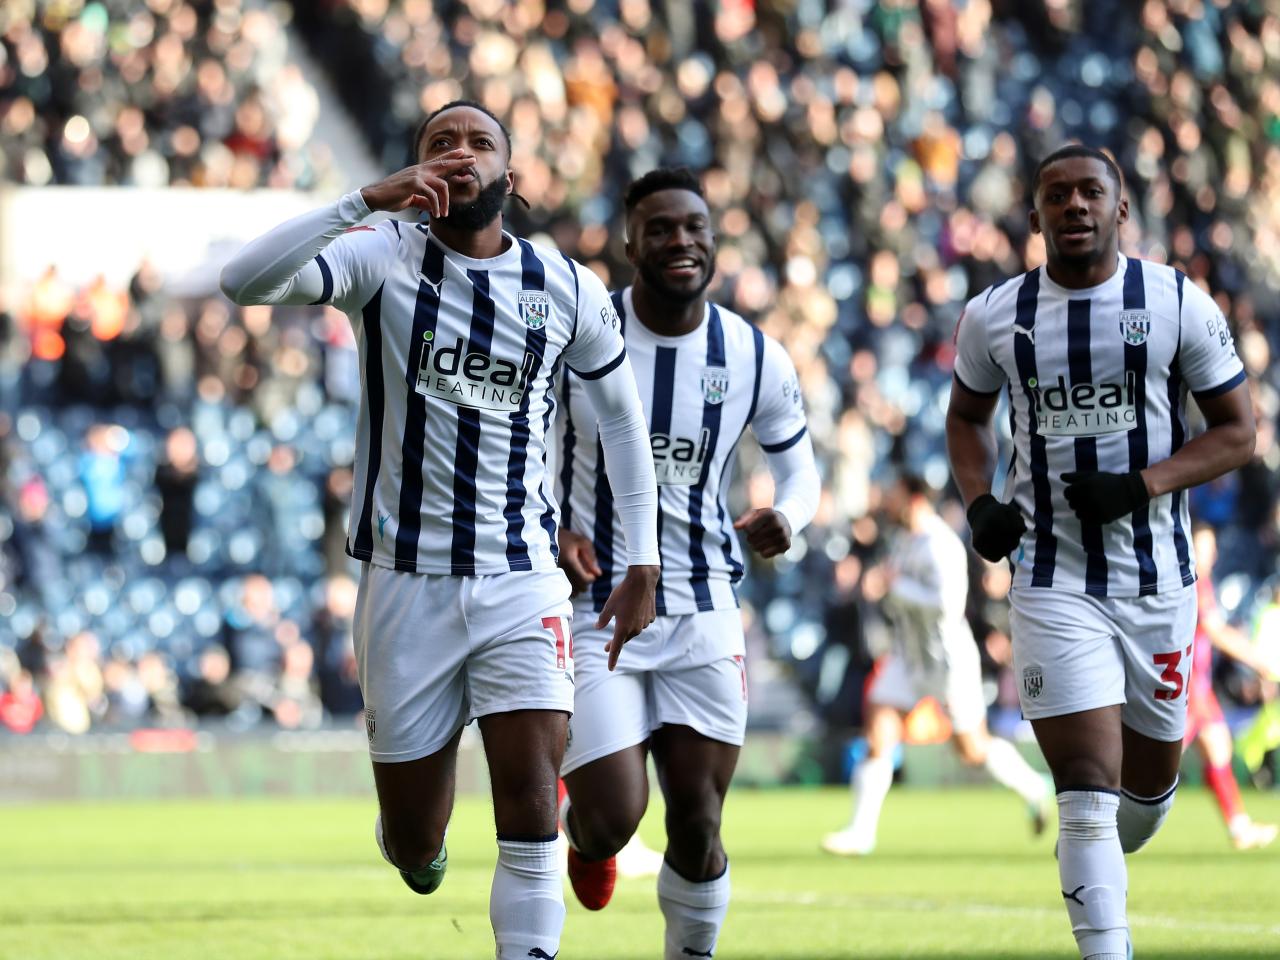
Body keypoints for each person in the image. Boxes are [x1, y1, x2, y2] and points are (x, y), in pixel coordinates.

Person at [220, 100, 661, 960]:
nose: (460, 153)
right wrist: (360, 200)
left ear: (511, 175)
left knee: (531, 802)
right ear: (419, 170)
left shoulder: (563, 286)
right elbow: (245, 281)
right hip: (403, 586)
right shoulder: (381, 257)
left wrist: (640, 554)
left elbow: (619, 420)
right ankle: (412, 843)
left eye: (479, 142)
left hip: (520, 576)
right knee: (417, 842)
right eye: (439, 142)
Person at [946, 144, 1254, 960]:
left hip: (1158, 582)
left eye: (1091, 193)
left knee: (1143, 798)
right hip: (1052, 579)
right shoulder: (994, 316)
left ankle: (1114, 848)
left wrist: (1144, 484)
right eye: (1057, 195)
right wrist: (980, 502)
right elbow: (964, 420)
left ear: (1121, 209)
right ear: (1036, 213)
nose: (1074, 205)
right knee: (1085, 794)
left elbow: (1239, 432)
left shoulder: (1178, 301)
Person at [553, 167, 820, 959]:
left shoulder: (750, 352)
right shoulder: (583, 334)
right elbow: (531, 443)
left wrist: (790, 516)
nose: (682, 242)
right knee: (613, 816)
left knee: (700, 820)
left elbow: (799, 467)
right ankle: (587, 841)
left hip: (704, 609)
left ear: (714, 240)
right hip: (596, 603)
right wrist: (557, 522)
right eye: (662, 228)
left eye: (695, 228)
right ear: (630, 240)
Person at [821, 473, 1051, 857]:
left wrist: (894, 588)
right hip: (908, 655)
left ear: (913, 499)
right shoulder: (902, 543)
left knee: (972, 749)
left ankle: (1033, 787)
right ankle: (861, 831)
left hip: (947, 660)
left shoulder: (941, 544)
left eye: (894, 495)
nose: (887, 504)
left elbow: (947, 605)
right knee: (879, 726)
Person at [1185, 524, 1277, 849]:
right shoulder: (1190, 583)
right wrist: (1259, 660)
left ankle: (1239, 826)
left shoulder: (1201, 581)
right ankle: (1098, 822)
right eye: (1201, 549)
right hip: (1181, 688)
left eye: (1211, 550)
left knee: (1218, 744)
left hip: (1195, 688)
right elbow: (1216, 631)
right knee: (1150, 772)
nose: (1208, 557)